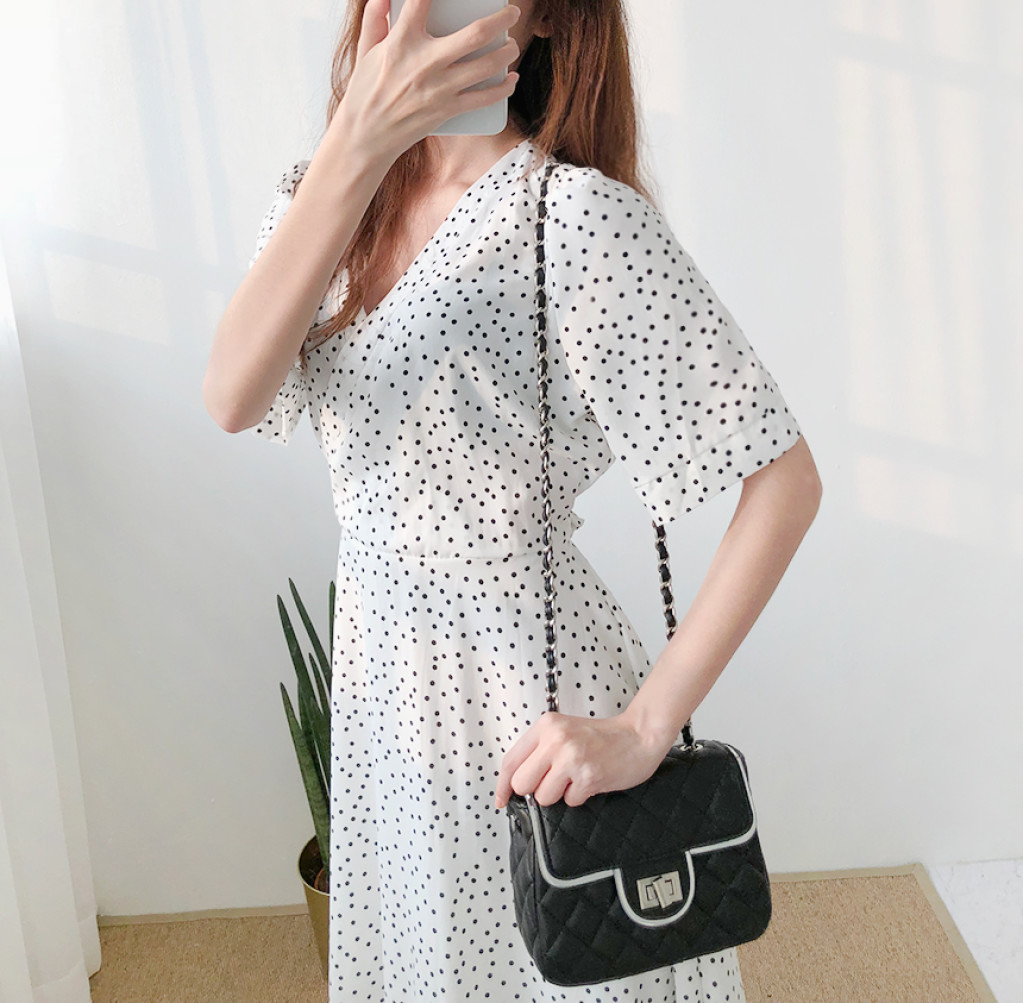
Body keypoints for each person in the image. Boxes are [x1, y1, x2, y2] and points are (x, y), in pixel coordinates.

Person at [203, 0, 823, 999]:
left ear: (544, 20)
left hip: (520, 702)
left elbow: (784, 480)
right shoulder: (328, 201)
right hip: (382, 696)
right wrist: (358, 142)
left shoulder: (573, 218)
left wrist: (645, 727)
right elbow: (232, 396)